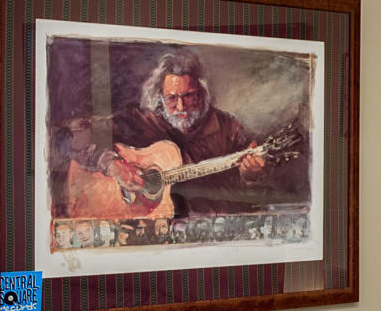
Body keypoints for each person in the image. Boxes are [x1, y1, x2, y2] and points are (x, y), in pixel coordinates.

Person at [108, 49, 268, 215]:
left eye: (189, 96)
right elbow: (85, 133)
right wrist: (114, 165)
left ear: (201, 93)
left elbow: (251, 200)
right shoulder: (142, 122)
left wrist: (251, 177)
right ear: (159, 97)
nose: (180, 107)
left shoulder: (229, 128)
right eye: (171, 98)